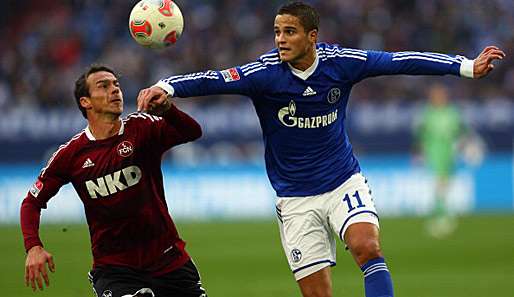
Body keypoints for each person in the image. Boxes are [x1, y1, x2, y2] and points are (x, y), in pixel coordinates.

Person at [137, 2, 505, 297]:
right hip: (295, 198)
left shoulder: (340, 63)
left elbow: (401, 60)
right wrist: (168, 86)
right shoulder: (264, 74)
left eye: (290, 32)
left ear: (312, 36)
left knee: (367, 247)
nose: (280, 39)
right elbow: (213, 80)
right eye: (278, 32)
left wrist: (466, 67)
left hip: (342, 181)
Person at [20, 65, 207, 297]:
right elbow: (31, 202)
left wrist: (168, 109)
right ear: (85, 101)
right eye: (104, 86)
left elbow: (192, 132)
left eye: (116, 85)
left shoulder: (141, 127)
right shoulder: (71, 154)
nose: (115, 90)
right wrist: (33, 247)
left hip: (168, 259)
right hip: (115, 269)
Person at [414, 83, 466, 238]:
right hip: (434, 151)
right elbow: (421, 133)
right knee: (440, 182)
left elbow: (461, 131)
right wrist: (420, 151)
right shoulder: (427, 113)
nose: (438, 98)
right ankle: (440, 215)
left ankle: (440, 213)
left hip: (449, 152)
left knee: (445, 183)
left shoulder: (453, 112)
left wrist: (462, 146)